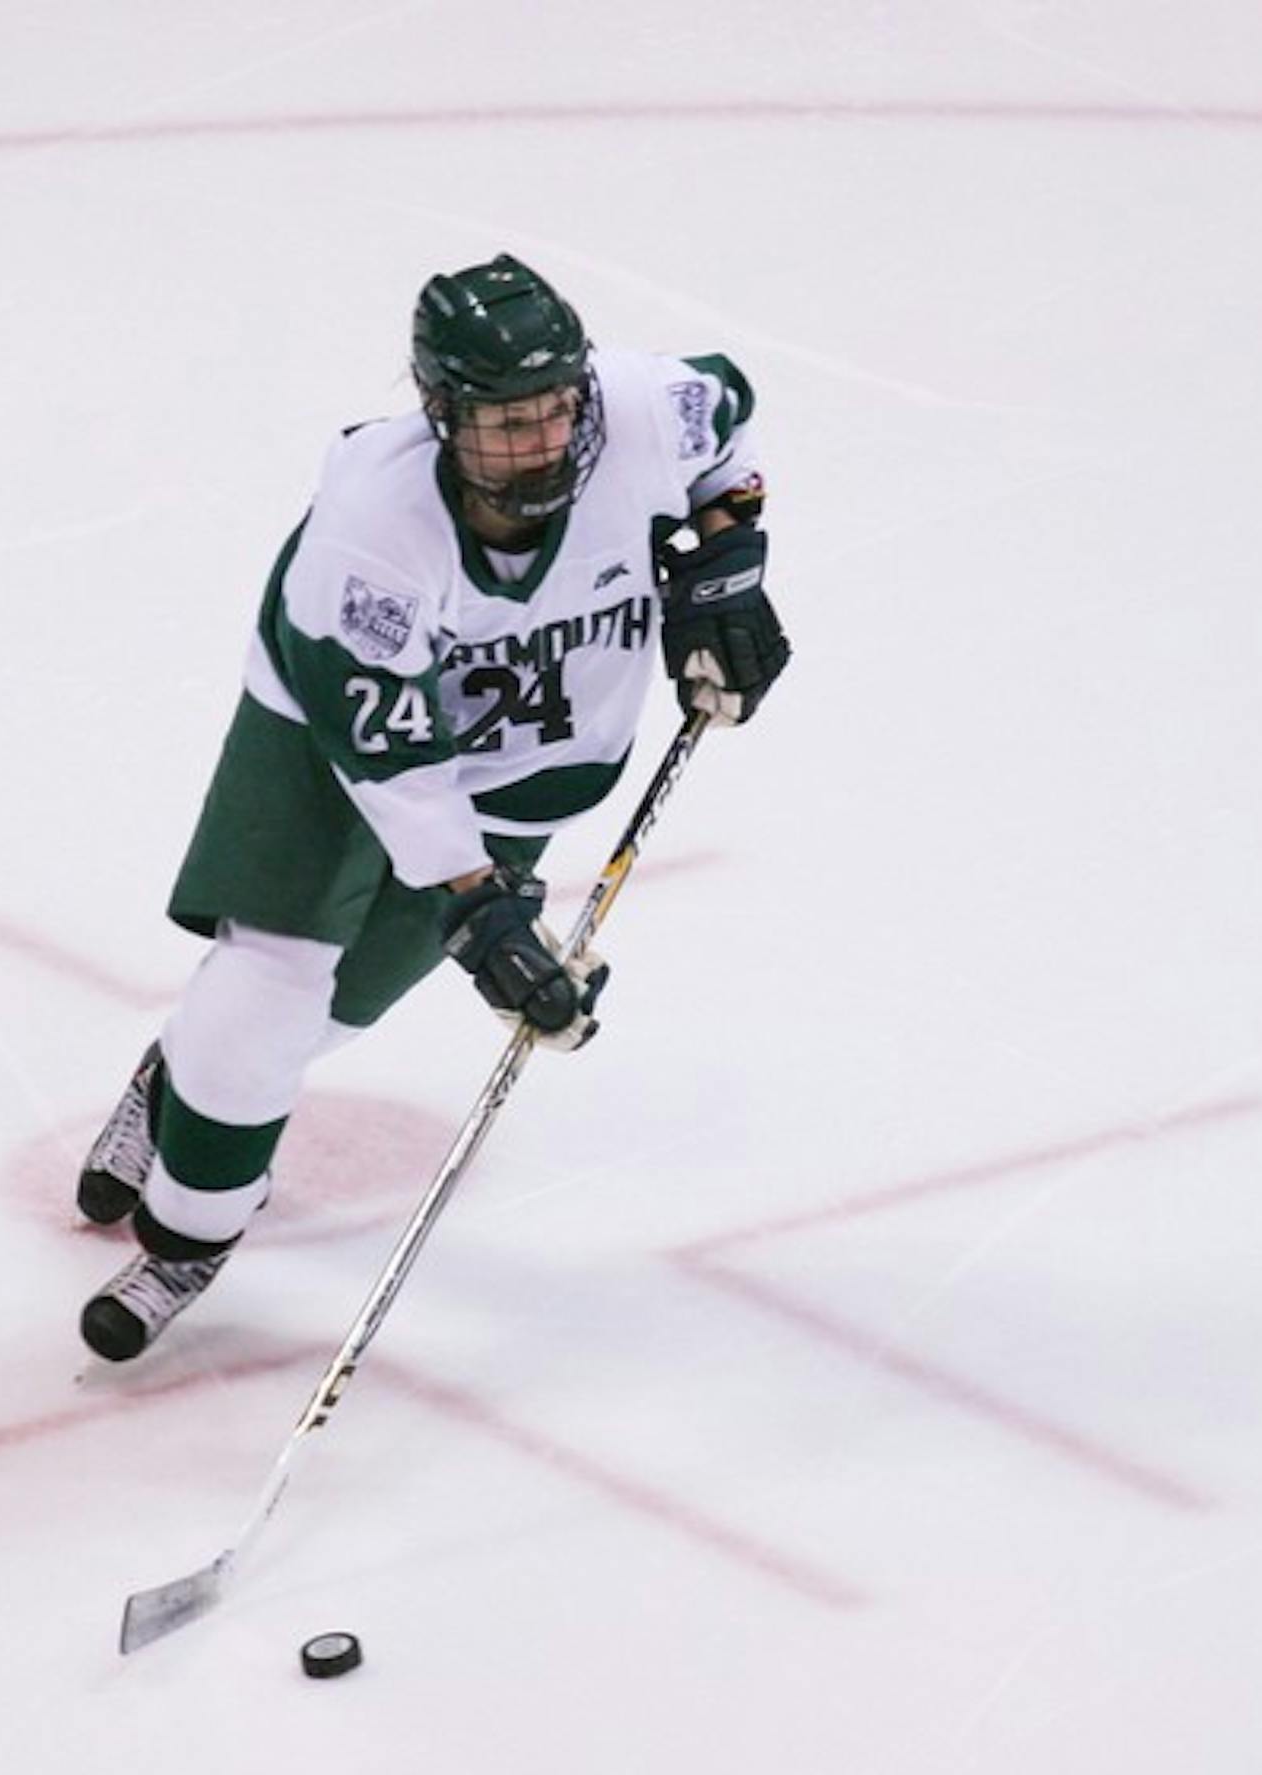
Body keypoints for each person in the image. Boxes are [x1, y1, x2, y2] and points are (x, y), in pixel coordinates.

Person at [75, 253, 790, 1362]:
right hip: (326, 741)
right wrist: (481, 911)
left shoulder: (647, 409)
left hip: (525, 755)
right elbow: (393, 765)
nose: (538, 441)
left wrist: (727, 562)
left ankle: (172, 1080)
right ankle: (187, 1236)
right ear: (441, 414)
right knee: (268, 989)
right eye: (502, 423)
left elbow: (728, 442)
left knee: (337, 1012)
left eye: (555, 409)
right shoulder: (371, 535)